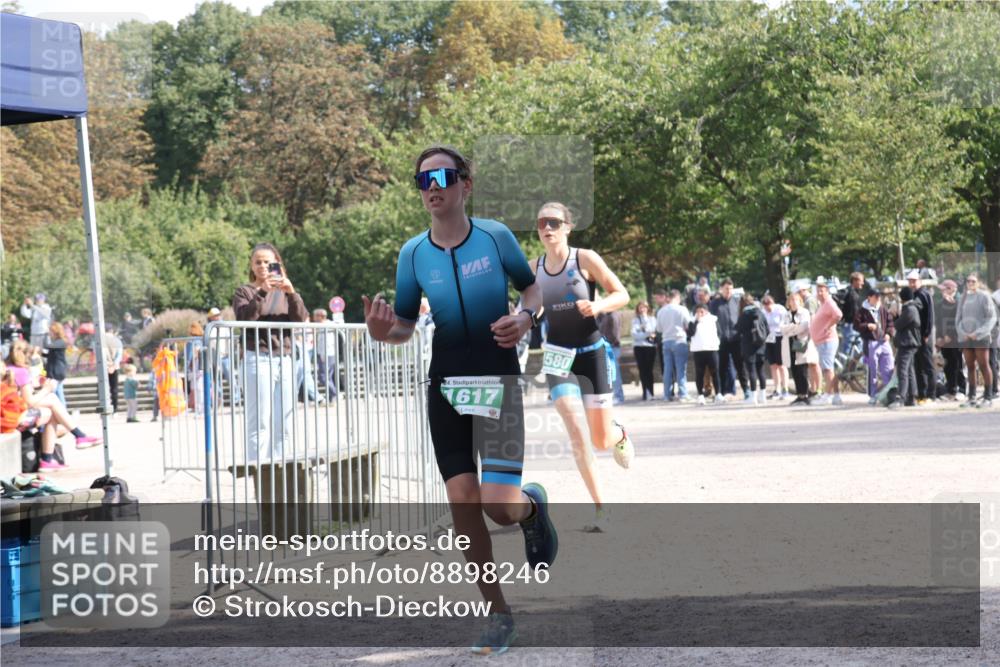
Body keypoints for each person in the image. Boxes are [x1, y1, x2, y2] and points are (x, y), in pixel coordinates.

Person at [363, 145, 556, 655]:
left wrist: (526, 318)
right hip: (446, 387)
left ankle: (530, 509)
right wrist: (383, 333)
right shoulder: (412, 254)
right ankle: (498, 615)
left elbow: (533, 291)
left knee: (499, 508)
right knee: (463, 503)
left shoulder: (495, 238)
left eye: (443, 177)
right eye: (423, 180)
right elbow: (405, 325)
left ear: (465, 184)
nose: (432, 188)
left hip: (498, 382)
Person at [532, 200, 635, 532]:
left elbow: (622, 294)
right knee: (575, 428)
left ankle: (619, 433)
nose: (547, 228)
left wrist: (598, 305)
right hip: (557, 354)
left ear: (567, 227)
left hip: (591, 352)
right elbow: (530, 306)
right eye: (542, 223)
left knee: (601, 440)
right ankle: (601, 507)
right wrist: (526, 315)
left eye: (554, 222)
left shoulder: (585, 259)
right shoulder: (533, 268)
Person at [233, 243, 308, 462]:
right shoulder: (244, 291)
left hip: (285, 358)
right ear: (251, 265)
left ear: (277, 264)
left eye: (268, 262)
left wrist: (291, 293)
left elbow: (300, 319)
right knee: (259, 422)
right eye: (258, 262)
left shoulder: (285, 292)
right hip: (258, 358)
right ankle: (258, 471)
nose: (263, 266)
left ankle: (281, 471)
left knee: (284, 421)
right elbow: (245, 319)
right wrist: (263, 291)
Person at [3, 342, 101, 458]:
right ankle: (72, 441)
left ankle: (78, 437)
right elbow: (29, 402)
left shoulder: (7, 368)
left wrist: (36, 386)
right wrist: (46, 389)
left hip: (8, 415)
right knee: (51, 403)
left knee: (51, 407)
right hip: (14, 419)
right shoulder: (21, 371)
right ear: (26, 355)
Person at [955, 273, 997, 408]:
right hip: (966, 337)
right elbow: (958, 318)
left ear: (978, 282)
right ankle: (971, 397)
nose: (970, 283)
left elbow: (992, 318)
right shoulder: (963, 297)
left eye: (973, 281)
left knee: (984, 365)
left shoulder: (984, 296)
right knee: (970, 366)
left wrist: (977, 333)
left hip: (981, 337)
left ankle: (988, 396)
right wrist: (963, 333)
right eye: (968, 281)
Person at [853, 288, 895, 405]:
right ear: (869, 297)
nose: (878, 299)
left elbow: (890, 323)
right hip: (870, 342)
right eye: (875, 296)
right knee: (872, 370)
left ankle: (888, 393)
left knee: (888, 367)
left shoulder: (883, 309)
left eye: (879, 296)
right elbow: (856, 325)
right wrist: (867, 326)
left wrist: (889, 333)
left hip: (884, 342)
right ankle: (873, 394)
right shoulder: (862, 310)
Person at [710, 278, 747, 399]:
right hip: (721, 340)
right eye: (726, 289)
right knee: (721, 367)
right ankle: (721, 392)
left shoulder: (737, 301)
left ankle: (747, 391)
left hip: (736, 339)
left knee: (740, 367)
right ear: (721, 289)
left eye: (730, 289)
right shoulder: (715, 303)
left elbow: (742, 317)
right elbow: (712, 320)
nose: (728, 291)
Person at [810, 279, 844, 406]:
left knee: (827, 369)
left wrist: (828, 326)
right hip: (822, 341)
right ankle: (836, 396)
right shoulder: (823, 304)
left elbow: (838, 315)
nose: (819, 293)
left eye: (822, 291)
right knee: (830, 369)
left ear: (827, 291)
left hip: (827, 341)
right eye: (818, 291)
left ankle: (828, 395)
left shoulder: (829, 302)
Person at [781, 293, 818, 406]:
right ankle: (799, 394)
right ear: (788, 302)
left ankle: (805, 394)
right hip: (789, 343)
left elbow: (803, 327)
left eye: (796, 299)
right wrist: (794, 327)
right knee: (794, 369)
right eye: (792, 300)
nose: (794, 302)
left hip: (800, 342)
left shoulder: (804, 312)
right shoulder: (786, 314)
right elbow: (782, 328)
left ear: (800, 301)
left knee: (802, 369)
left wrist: (791, 329)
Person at [656, 289, 693, 401]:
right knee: (681, 369)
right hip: (679, 340)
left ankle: (667, 395)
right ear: (677, 298)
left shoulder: (661, 311)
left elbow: (659, 329)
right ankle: (683, 394)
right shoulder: (682, 309)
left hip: (666, 341)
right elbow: (688, 324)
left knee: (667, 369)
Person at [889, 287, 922, 409]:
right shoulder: (911, 308)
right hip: (909, 343)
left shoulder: (910, 309)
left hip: (907, 343)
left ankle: (901, 398)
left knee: (902, 370)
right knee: (909, 370)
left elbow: (898, 325)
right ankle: (912, 397)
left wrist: (894, 316)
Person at [906, 270, 935, 403]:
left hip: (924, 336)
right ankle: (922, 394)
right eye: (910, 281)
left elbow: (930, 316)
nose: (912, 284)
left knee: (928, 365)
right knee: (918, 365)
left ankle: (931, 394)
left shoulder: (924, 294)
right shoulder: (913, 294)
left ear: (920, 281)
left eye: (914, 281)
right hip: (915, 336)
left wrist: (927, 333)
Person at [935, 279, 966, 399]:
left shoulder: (959, 303)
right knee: (947, 365)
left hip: (956, 340)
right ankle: (951, 390)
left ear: (952, 289)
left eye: (945, 289)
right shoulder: (939, 304)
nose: (942, 291)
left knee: (957, 365)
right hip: (943, 341)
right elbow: (938, 322)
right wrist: (938, 337)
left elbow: (959, 321)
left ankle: (962, 389)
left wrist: (950, 335)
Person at [736, 293, 769, 405]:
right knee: (761, 370)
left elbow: (739, 329)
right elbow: (767, 329)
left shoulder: (744, 315)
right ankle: (763, 396)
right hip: (761, 345)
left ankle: (753, 396)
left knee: (751, 371)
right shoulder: (760, 313)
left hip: (748, 346)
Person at [687, 304, 722, 405]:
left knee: (715, 372)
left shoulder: (713, 319)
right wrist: (696, 321)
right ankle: (700, 395)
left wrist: (717, 343)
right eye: (698, 311)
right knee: (699, 373)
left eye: (702, 311)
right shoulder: (692, 321)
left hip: (711, 349)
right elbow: (690, 333)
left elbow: (719, 333)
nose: (700, 313)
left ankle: (718, 394)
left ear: (706, 311)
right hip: (698, 351)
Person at [761, 295, 789, 399]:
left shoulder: (780, 309)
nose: (767, 308)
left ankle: (785, 389)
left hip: (779, 337)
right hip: (769, 339)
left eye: (769, 305)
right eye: (765, 306)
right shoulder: (763, 312)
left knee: (781, 365)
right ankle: (777, 389)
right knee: (773, 365)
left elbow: (786, 323)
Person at [596, 309, 625, 404]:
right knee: (610, 373)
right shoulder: (606, 315)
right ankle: (615, 395)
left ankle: (618, 396)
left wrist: (607, 343)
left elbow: (614, 333)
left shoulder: (612, 315)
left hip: (611, 347)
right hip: (609, 346)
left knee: (614, 372)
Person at [631, 301, 657, 400]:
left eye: (644, 307)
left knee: (649, 370)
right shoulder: (635, 320)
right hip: (639, 347)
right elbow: (634, 335)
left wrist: (643, 329)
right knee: (642, 370)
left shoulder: (652, 319)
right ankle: (645, 392)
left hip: (650, 347)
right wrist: (646, 334)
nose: (642, 310)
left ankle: (651, 392)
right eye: (640, 307)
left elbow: (653, 331)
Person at [838, 272, 865, 355]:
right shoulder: (850, 293)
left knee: (858, 348)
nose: (863, 283)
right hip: (850, 325)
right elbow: (854, 311)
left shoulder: (855, 293)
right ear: (854, 281)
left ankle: (856, 363)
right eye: (861, 281)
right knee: (848, 349)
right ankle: (845, 363)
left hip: (855, 325)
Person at [43, 322, 69, 405]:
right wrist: (41, 353)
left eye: (51, 331)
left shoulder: (61, 342)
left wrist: (45, 334)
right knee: (57, 392)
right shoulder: (57, 342)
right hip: (54, 371)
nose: (50, 333)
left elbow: (47, 346)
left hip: (57, 371)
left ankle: (63, 409)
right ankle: (62, 409)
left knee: (56, 393)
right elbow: (51, 355)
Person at [102, 325, 123, 414]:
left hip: (103, 367)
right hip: (114, 367)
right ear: (112, 331)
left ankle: (104, 408)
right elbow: (119, 355)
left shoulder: (100, 340)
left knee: (103, 388)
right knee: (114, 389)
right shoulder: (117, 341)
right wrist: (114, 364)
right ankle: (115, 409)